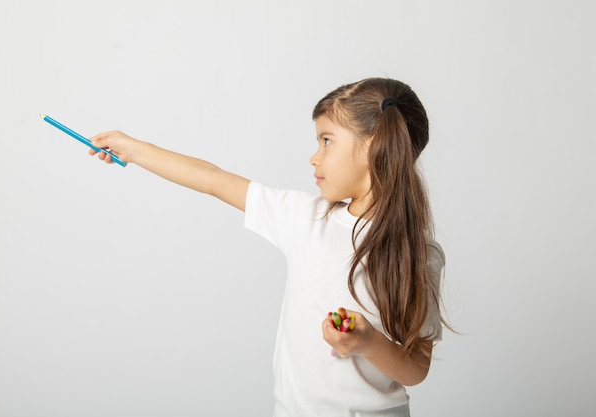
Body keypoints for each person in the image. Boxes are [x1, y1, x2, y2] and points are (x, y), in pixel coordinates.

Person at [89, 77, 447, 417]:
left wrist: (367, 342)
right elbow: (213, 179)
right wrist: (133, 149)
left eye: (326, 140)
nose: (314, 157)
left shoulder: (420, 254)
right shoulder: (304, 218)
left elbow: (416, 369)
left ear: (371, 148)